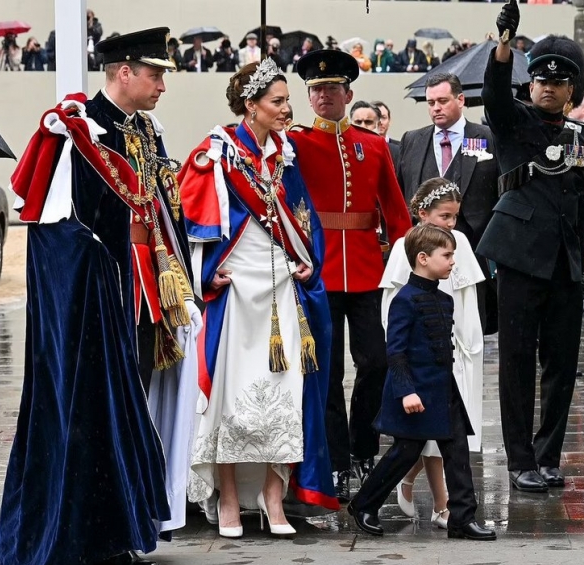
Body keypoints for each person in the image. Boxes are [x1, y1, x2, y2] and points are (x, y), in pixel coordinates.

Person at [0, 27, 199, 565]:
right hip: (95, 300)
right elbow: (52, 233)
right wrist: (98, 282)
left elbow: (162, 211)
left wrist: (177, 279)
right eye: (154, 75)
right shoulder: (75, 131)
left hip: (143, 288)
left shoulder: (143, 130)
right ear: (124, 72)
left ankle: (117, 533)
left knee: (128, 409)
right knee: (89, 412)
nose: (162, 86)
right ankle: (81, 537)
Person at [178, 58, 339, 539]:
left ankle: (274, 496)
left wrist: (309, 260)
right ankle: (228, 497)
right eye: (278, 101)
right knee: (231, 395)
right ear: (251, 105)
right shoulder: (217, 153)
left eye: (288, 100)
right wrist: (207, 273)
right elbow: (192, 220)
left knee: (285, 392)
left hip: (282, 283)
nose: (288, 109)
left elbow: (303, 215)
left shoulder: (287, 153)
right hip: (236, 289)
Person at [477, 1, 584, 492]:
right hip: (520, 256)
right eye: (539, 80)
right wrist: (504, 45)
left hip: (565, 261)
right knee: (516, 362)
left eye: (558, 81)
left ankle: (549, 456)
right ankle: (520, 460)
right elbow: (494, 94)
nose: (547, 87)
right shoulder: (514, 120)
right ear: (530, 85)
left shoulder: (582, 134)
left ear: (572, 90)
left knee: (562, 364)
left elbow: (581, 199)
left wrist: (583, 256)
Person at [289, 50, 411, 502]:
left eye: (332, 88)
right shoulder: (295, 143)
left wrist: (407, 259)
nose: (324, 95)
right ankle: (337, 461)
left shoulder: (373, 145)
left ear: (348, 93)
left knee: (376, 362)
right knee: (326, 372)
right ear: (309, 97)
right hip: (317, 270)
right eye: (316, 89)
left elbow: (394, 208)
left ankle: (363, 448)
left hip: (365, 269)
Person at [347, 224, 495, 541]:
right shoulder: (404, 299)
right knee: (404, 452)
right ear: (423, 258)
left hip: (444, 390)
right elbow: (396, 351)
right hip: (415, 392)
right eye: (447, 255)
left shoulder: (444, 299)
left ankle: (462, 518)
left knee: (458, 453)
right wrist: (406, 392)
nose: (453, 261)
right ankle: (364, 504)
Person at [381, 179, 485, 528]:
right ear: (423, 213)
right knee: (428, 434)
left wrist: (471, 344)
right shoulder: (405, 246)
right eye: (444, 217)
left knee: (451, 436)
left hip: (458, 350)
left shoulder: (461, 243)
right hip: (423, 356)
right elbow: (393, 306)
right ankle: (443, 505)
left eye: (455, 217)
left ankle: (416, 484)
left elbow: (468, 296)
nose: (451, 224)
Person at [397, 72, 499, 335]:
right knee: (425, 329)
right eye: (431, 103)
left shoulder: (489, 137)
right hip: (423, 255)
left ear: (460, 99)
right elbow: (402, 191)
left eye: (442, 101)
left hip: (475, 250)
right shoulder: (412, 140)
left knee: (471, 326)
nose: (436, 108)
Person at [372, 100, 400, 168]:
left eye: (383, 117)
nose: (380, 122)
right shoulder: (362, 147)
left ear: (389, 120)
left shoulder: (400, 147)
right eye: (376, 118)